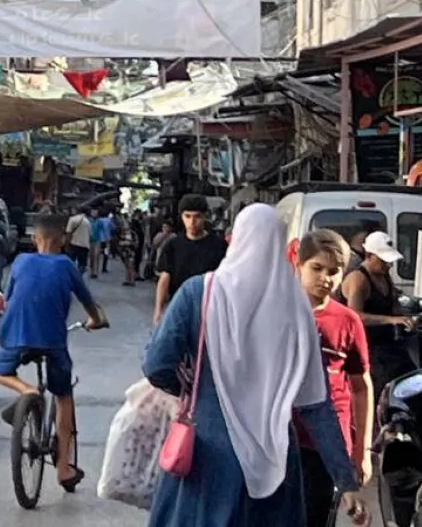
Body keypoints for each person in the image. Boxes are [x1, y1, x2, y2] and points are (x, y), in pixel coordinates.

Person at [144, 205, 368, 527]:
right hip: (276, 464)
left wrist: (194, 388)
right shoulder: (297, 309)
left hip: (208, 453)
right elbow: (316, 405)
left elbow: (156, 364)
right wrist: (345, 480)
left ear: (236, 239)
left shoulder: (199, 292)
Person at [0, 213, 108, 491]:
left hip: (15, 335)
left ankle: (26, 390)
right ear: (63, 240)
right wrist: (96, 320)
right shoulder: (67, 265)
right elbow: (89, 304)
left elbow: (9, 299)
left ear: (35, 239)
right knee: (63, 396)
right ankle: (64, 468)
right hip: (53, 340)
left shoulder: (20, 261)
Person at [295, 230, 373, 527]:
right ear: (299, 264)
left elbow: (361, 387)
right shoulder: (277, 313)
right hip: (281, 440)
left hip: (327, 444)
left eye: (333, 271)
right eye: (317, 268)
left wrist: (362, 451)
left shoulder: (347, 321)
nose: (325, 278)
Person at [341, 231, 415, 394]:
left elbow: (392, 305)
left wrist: (407, 318)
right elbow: (355, 316)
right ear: (369, 256)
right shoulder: (359, 279)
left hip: (386, 345)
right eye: (383, 261)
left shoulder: (384, 277)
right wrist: (390, 320)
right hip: (366, 348)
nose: (388, 266)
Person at [154, 195, 228, 326]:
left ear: (205, 216)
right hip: (179, 308)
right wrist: (158, 310)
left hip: (210, 310)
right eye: (187, 216)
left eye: (197, 216)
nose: (192, 222)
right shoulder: (173, 246)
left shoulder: (219, 246)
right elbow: (165, 278)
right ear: (181, 217)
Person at [119, 212, 145, 287]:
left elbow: (136, 243)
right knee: (127, 266)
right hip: (125, 252)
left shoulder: (133, 234)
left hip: (131, 252)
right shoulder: (123, 234)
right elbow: (120, 242)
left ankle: (132, 280)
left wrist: (129, 244)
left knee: (131, 266)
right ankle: (127, 279)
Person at [66, 208, 93, 274]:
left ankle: (71, 275)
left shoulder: (72, 219)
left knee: (71, 261)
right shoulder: (88, 222)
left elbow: (68, 232)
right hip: (84, 245)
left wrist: (67, 244)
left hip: (74, 244)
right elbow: (90, 236)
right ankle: (79, 276)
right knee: (82, 264)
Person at [89, 207, 112, 279]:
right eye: (93, 213)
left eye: (95, 213)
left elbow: (103, 230)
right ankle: (91, 270)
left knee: (97, 255)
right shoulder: (89, 221)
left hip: (98, 240)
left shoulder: (99, 221)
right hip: (90, 240)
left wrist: (106, 238)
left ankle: (96, 271)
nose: (94, 214)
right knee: (91, 256)